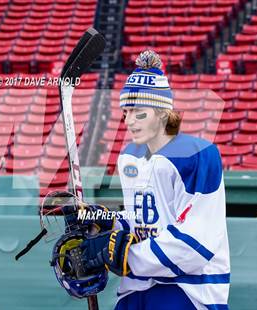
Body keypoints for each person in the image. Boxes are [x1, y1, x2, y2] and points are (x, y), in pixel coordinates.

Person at [77, 50, 231, 309]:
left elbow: (196, 243)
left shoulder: (199, 155)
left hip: (187, 290)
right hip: (135, 288)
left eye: (139, 112)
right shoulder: (129, 156)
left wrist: (127, 255)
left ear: (162, 113)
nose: (128, 121)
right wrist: (108, 223)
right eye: (126, 112)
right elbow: (144, 224)